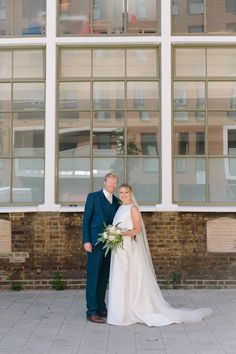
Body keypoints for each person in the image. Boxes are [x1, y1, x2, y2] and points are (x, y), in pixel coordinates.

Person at [107, 183, 212, 326]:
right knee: (119, 278)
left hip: (128, 248)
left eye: (126, 192)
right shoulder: (120, 208)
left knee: (129, 278)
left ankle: (130, 310)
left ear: (131, 193)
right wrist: (113, 234)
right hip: (118, 250)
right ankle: (120, 313)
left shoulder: (133, 209)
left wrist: (119, 233)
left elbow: (137, 230)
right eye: (121, 192)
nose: (123, 195)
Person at [82, 172, 120, 324]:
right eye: (110, 182)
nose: (112, 185)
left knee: (104, 277)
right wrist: (86, 240)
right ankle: (91, 311)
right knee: (93, 278)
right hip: (95, 244)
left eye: (114, 183)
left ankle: (100, 307)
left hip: (110, 245)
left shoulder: (117, 201)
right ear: (105, 182)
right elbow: (86, 220)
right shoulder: (93, 197)